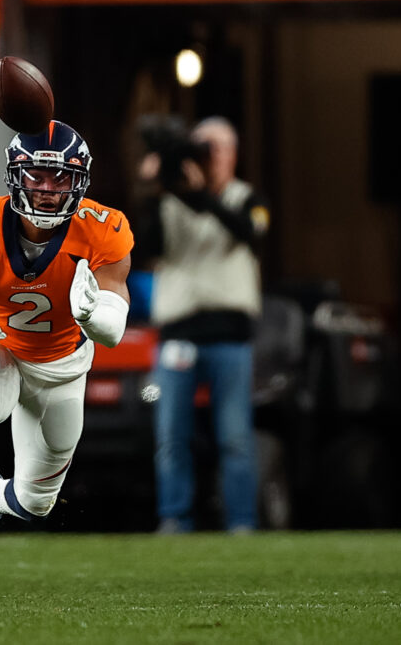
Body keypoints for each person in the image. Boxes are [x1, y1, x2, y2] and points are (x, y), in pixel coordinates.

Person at [0, 121, 134, 609]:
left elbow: (116, 326)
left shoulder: (105, 228)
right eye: (37, 174)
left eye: (61, 178)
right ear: (15, 174)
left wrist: (92, 314)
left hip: (62, 364)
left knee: (37, 501)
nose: (46, 188)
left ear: (79, 181)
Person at [136, 116, 269, 534]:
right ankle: (175, 518)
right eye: (201, 147)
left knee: (235, 438)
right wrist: (155, 190)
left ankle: (241, 522)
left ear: (232, 154)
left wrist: (202, 196)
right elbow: (148, 246)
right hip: (178, 332)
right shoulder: (169, 200)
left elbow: (252, 232)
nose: (207, 157)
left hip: (230, 334)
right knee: (171, 436)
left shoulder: (248, 198)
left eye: (216, 148)